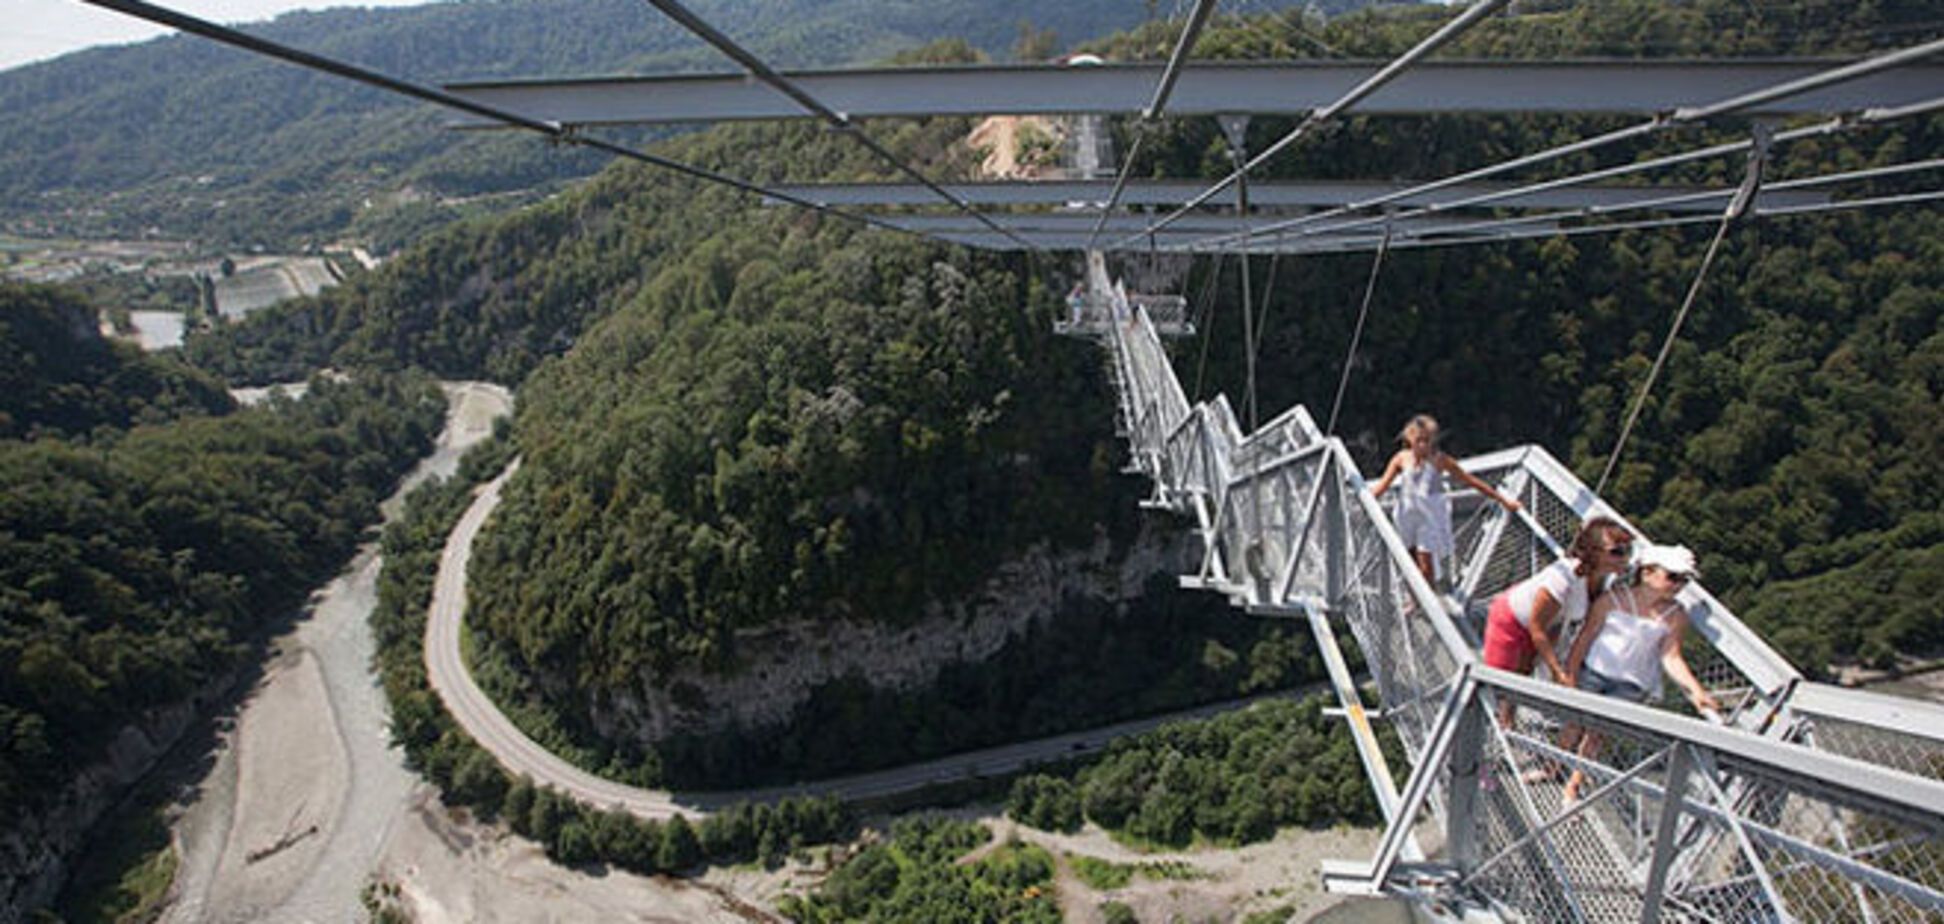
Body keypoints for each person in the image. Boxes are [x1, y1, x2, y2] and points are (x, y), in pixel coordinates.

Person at [1557, 542, 1722, 802]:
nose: (1678, 585)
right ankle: (1553, 766)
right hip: (1594, 670)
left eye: (1684, 581)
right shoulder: (1613, 599)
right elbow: (1585, 637)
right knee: (1574, 722)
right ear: (1647, 573)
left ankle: (1573, 786)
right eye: (1673, 577)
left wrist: (1697, 691)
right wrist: (1570, 671)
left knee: (1597, 734)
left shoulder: (1675, 615)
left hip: (1631, 684)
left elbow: (1671, 657)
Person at [1482, 515, 1633, 729]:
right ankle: (1482, 729)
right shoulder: (1562, 579)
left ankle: (1506, 722)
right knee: (1496, 683)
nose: (1625, 558)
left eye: (1627, 551)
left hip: (1550, 624)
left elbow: (1585, 629)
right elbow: (1536, 626)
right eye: (1617, 552)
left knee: (1524, 672)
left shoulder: (1603, 581)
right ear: (1593, 552)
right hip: (1511, 618)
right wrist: (1557, 671)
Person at [1370, 415, 1523, 587]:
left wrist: (1504, 501)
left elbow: (1471, 481)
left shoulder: (1440, 460)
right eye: (1418, 440)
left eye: (1427, 441)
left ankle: (1427, 603)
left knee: (1425, 561)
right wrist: (1363, 498)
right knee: (1410, 562)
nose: (1423, 445)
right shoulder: (1401, 458)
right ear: (1410, 439)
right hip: (1407, 515)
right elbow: (1382, 486)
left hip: (1429, 515)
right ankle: (1417, 599)